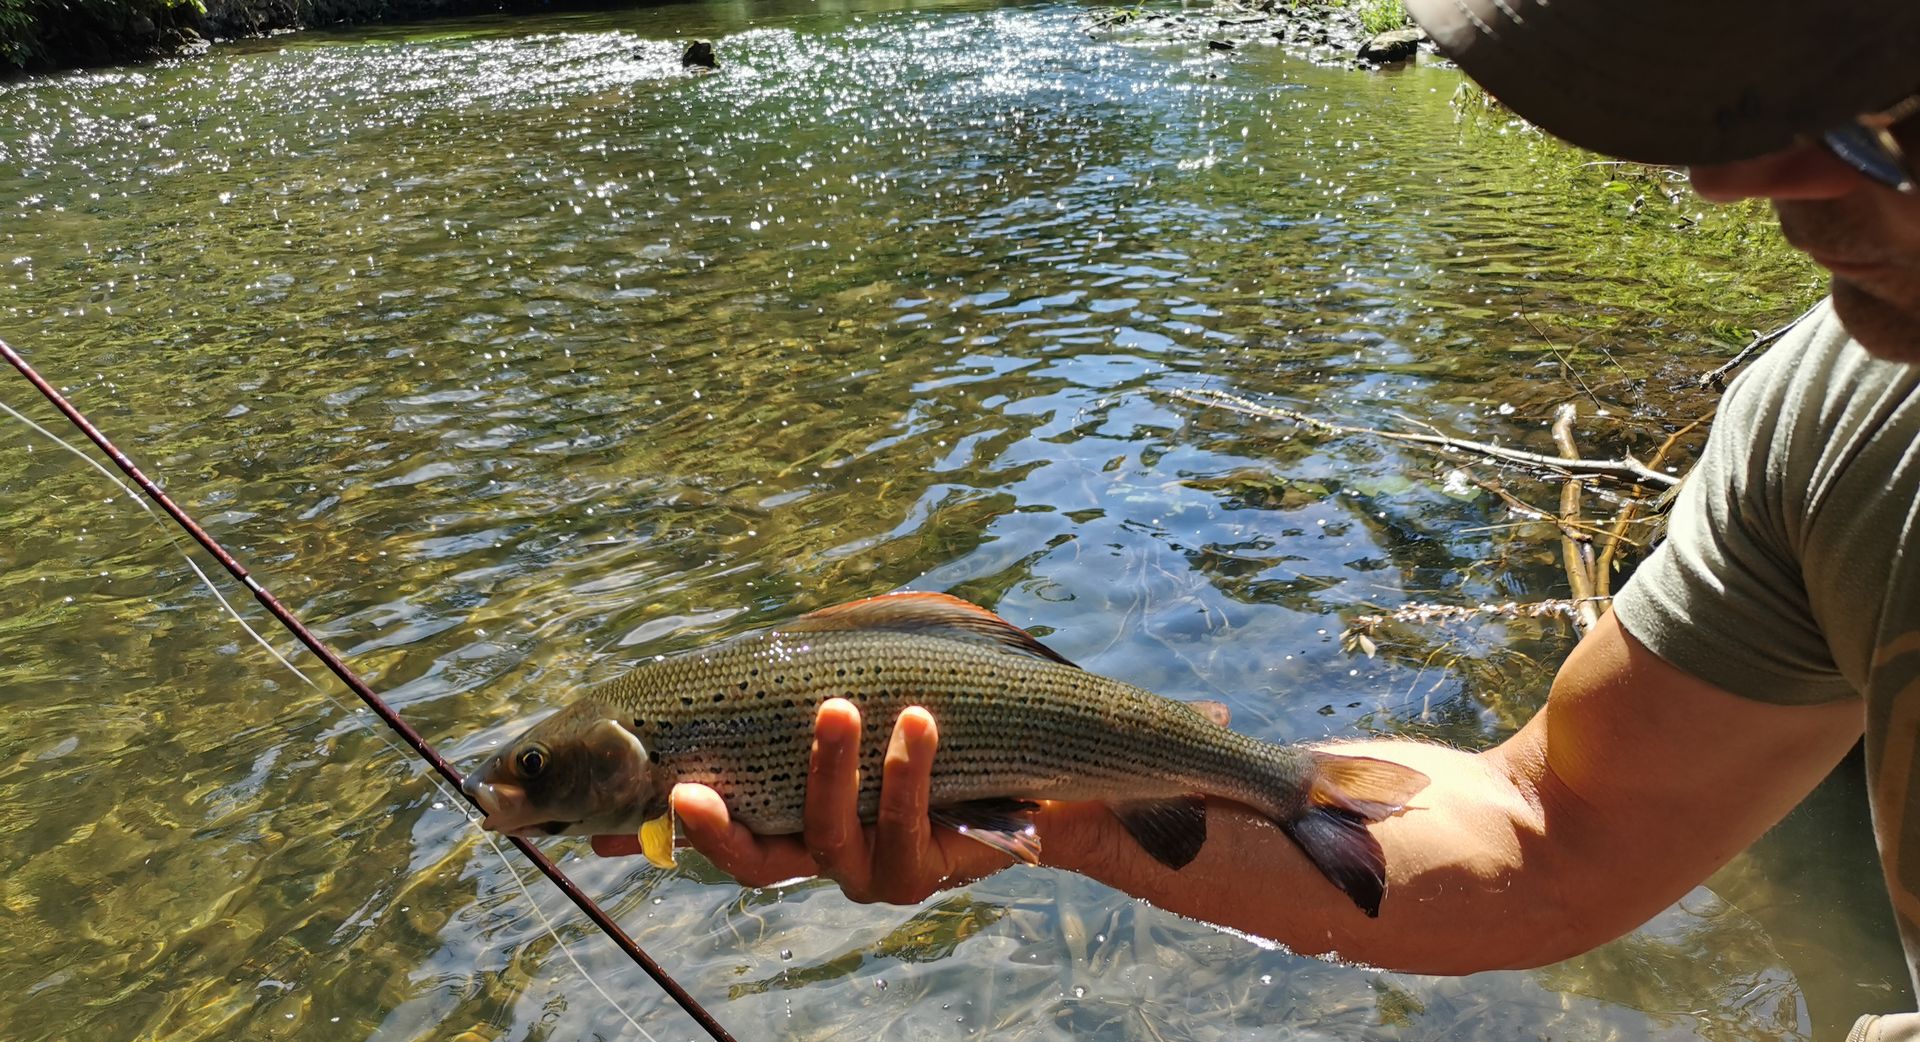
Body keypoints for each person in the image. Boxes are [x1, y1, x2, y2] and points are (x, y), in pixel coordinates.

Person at [597, 0, 1920, 988]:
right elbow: (1545, 837)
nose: (1738, 181)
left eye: (1886, 115)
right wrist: (1067, 814)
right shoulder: (1833, 428)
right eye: (1730, 104)